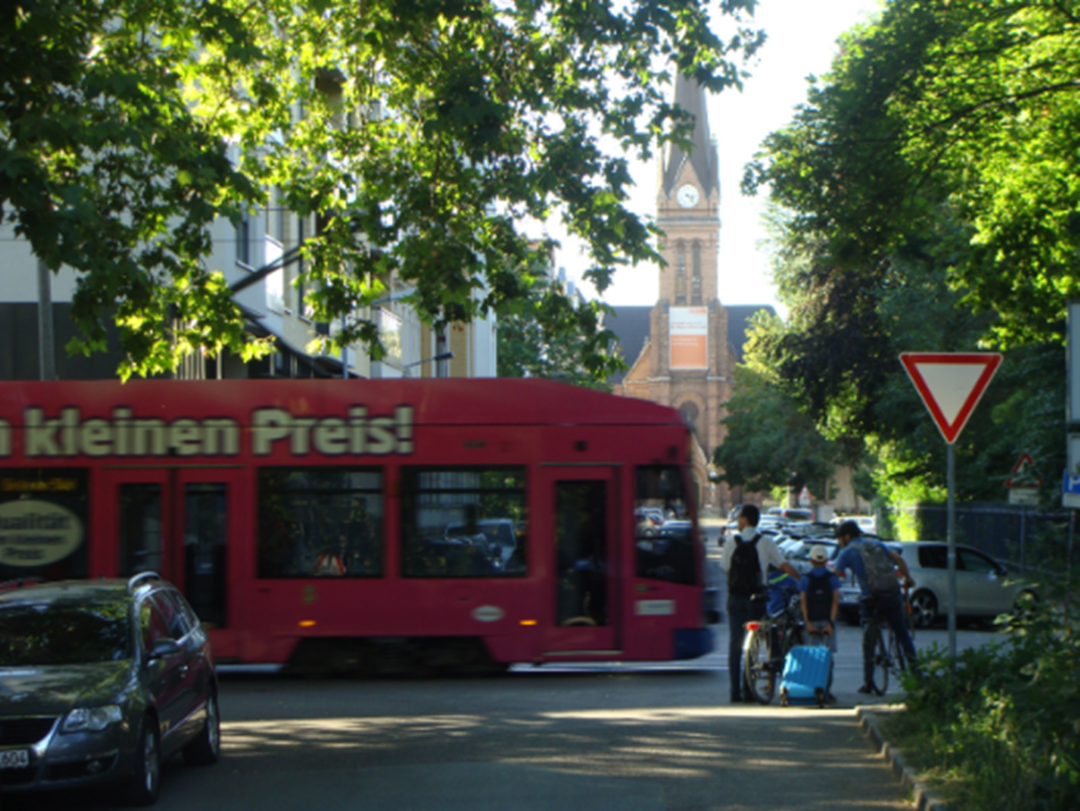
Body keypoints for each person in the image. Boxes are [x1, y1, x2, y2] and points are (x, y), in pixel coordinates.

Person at [720, 504, 801, 703]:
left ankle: (734, 691)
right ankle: (749, 690)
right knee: (754, 642)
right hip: (757, 599)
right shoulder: (766, 542)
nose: (738, 521)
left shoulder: (732, 541)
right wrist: (800, 580)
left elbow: (727, 570)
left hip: (736, 598)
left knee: (735, 644)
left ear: (745, 519)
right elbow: (783, 565)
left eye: (739, 518)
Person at [833, 520, 916, 694]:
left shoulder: (847, 552)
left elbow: (836, 576)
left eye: (839, 538)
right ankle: (918, 675)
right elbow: (898, 558)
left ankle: (868, 682)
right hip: (891, 593)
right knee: (902, 633)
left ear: (846, 537)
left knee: (868, 639)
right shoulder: (877, 544)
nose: (839, 542)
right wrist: (907, 578)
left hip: (870, 598)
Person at [799, 545, 840, 654]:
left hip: (811, 619)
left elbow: (803, 602)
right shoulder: (832, 577)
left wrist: (807, 623)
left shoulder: (805, 578)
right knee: (828, 653)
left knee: (812, 653)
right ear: (826, 560)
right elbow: (835, 602)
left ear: (811, 560)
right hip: (827, 619)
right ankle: (828, 670)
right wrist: (830, 624)